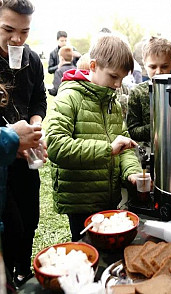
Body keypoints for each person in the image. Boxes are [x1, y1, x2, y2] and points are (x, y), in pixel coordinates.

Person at [46, 34, 142, 242]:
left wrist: (132, 172)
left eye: (122, 79)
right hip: (80, 201)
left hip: (108, 198)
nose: (118, 85)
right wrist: (107, 149)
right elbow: (55, 145)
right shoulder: (69, 97)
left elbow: (123, 143)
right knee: (88, 250)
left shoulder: (112, 102)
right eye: (113, 76)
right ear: (93, 65)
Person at [0, 0, 47, 287]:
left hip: (27, 155)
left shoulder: (33, 60)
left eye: (25, 32)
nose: (17, 39)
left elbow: (38, 98)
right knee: (10, 223)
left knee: (29, 218)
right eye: (8, 29)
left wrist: (37, 123)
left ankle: (21, 269)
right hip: (1, 159)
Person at [127, 37, 171, 145]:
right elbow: (132, 131)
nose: (158, 72)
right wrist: (157, 126)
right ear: (144, 63)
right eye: (153, 67)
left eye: (164, 66)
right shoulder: (137, 92)